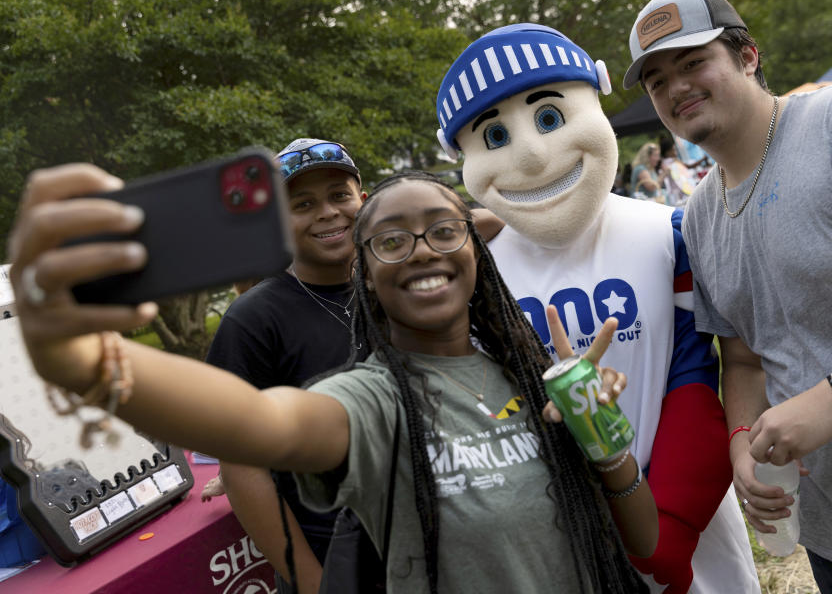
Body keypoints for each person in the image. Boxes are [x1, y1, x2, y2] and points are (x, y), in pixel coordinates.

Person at [8, 166, 658, 593]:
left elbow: (644, 540)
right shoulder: (373, 399)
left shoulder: (524, 370)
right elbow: (262, 425)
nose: (423, 249)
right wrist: (89, 360)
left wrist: (602, 438)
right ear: (365, 276)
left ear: (473, 250)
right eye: (392, 241)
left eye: (441, 230)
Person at [623, 0, 832, 591]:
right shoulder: (699, 218)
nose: (675, 88)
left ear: (748, 55)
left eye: (693, 62)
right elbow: (746, 359)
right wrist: (741, 447)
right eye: (656, 79)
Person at [435, 23, 758, 594]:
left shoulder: (673, 231)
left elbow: (697, 373)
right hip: (550, 533)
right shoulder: (473, 271)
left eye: (550, 118)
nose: (534, 156)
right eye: (494, 137)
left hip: (688, 522)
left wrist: (669, 524)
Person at [206, 138, 368, 594]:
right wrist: (314, 583)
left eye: (339, 195)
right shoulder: (253, 320)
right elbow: (242, 466)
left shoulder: (393, 285)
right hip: (335, 561)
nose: (327, 212)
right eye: (303, 203)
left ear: (364, 200)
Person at [658, 137, 700, 207]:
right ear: (668, 152)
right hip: (681, 192)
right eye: (674, 150)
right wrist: (703, 159)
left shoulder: (663, 163)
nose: (676, 152)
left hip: (674, 193)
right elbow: (688, 167)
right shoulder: (673, 162)